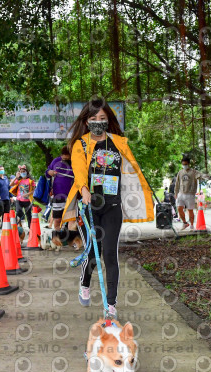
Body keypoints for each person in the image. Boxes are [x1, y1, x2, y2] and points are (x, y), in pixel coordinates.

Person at [61, 98, 154, 320]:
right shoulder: (81, 144)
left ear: (108, 120)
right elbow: (79, 169)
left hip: (112, 207)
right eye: (93, 118)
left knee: (110, 254)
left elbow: (130, 171)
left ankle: (111, 305)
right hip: (89, 207)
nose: (98, 122)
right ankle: (85, 283)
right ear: (86, 121)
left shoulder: (118, 143)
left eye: (102, 118)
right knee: (94, 253)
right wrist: (84, 189)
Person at [46, 146, 76, 244]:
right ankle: (57, 240)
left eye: (67, 157)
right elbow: (47, 173)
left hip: (72, 196)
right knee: (57, 219)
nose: (64, 158)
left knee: (71, 219)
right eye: (63, 156)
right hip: (58, 195)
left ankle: (71, 241)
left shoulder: (75, 162)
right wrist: (49, 172)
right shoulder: (56, 161)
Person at [174, 154, 207, 230]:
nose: (184, 166)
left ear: (188, 164)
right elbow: (177, 183)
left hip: (190, 194)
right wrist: (176, 193)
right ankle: (185, 223)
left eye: (185, 164)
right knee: (179, 208)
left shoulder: (194, 172)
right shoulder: (180, 172)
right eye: (183, 164)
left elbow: (201, 176)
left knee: (190, 210)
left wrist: (205, 176)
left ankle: (191, 225)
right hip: (181, 193)